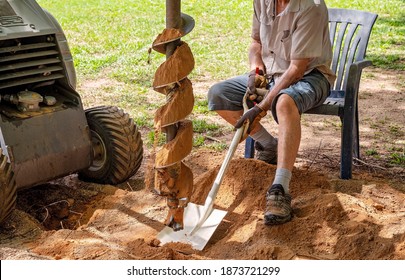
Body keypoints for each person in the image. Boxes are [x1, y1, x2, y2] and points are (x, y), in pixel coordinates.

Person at [207, 0, 336, 225]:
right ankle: (268, 145)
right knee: (219, 94)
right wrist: (255, 73)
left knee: (284, 102)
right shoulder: (262, 1)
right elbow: (256, 41)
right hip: (273, 75)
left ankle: (280, 188)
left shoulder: (311, 7)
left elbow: (297, 69)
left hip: (311, 77)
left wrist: (262, 105)